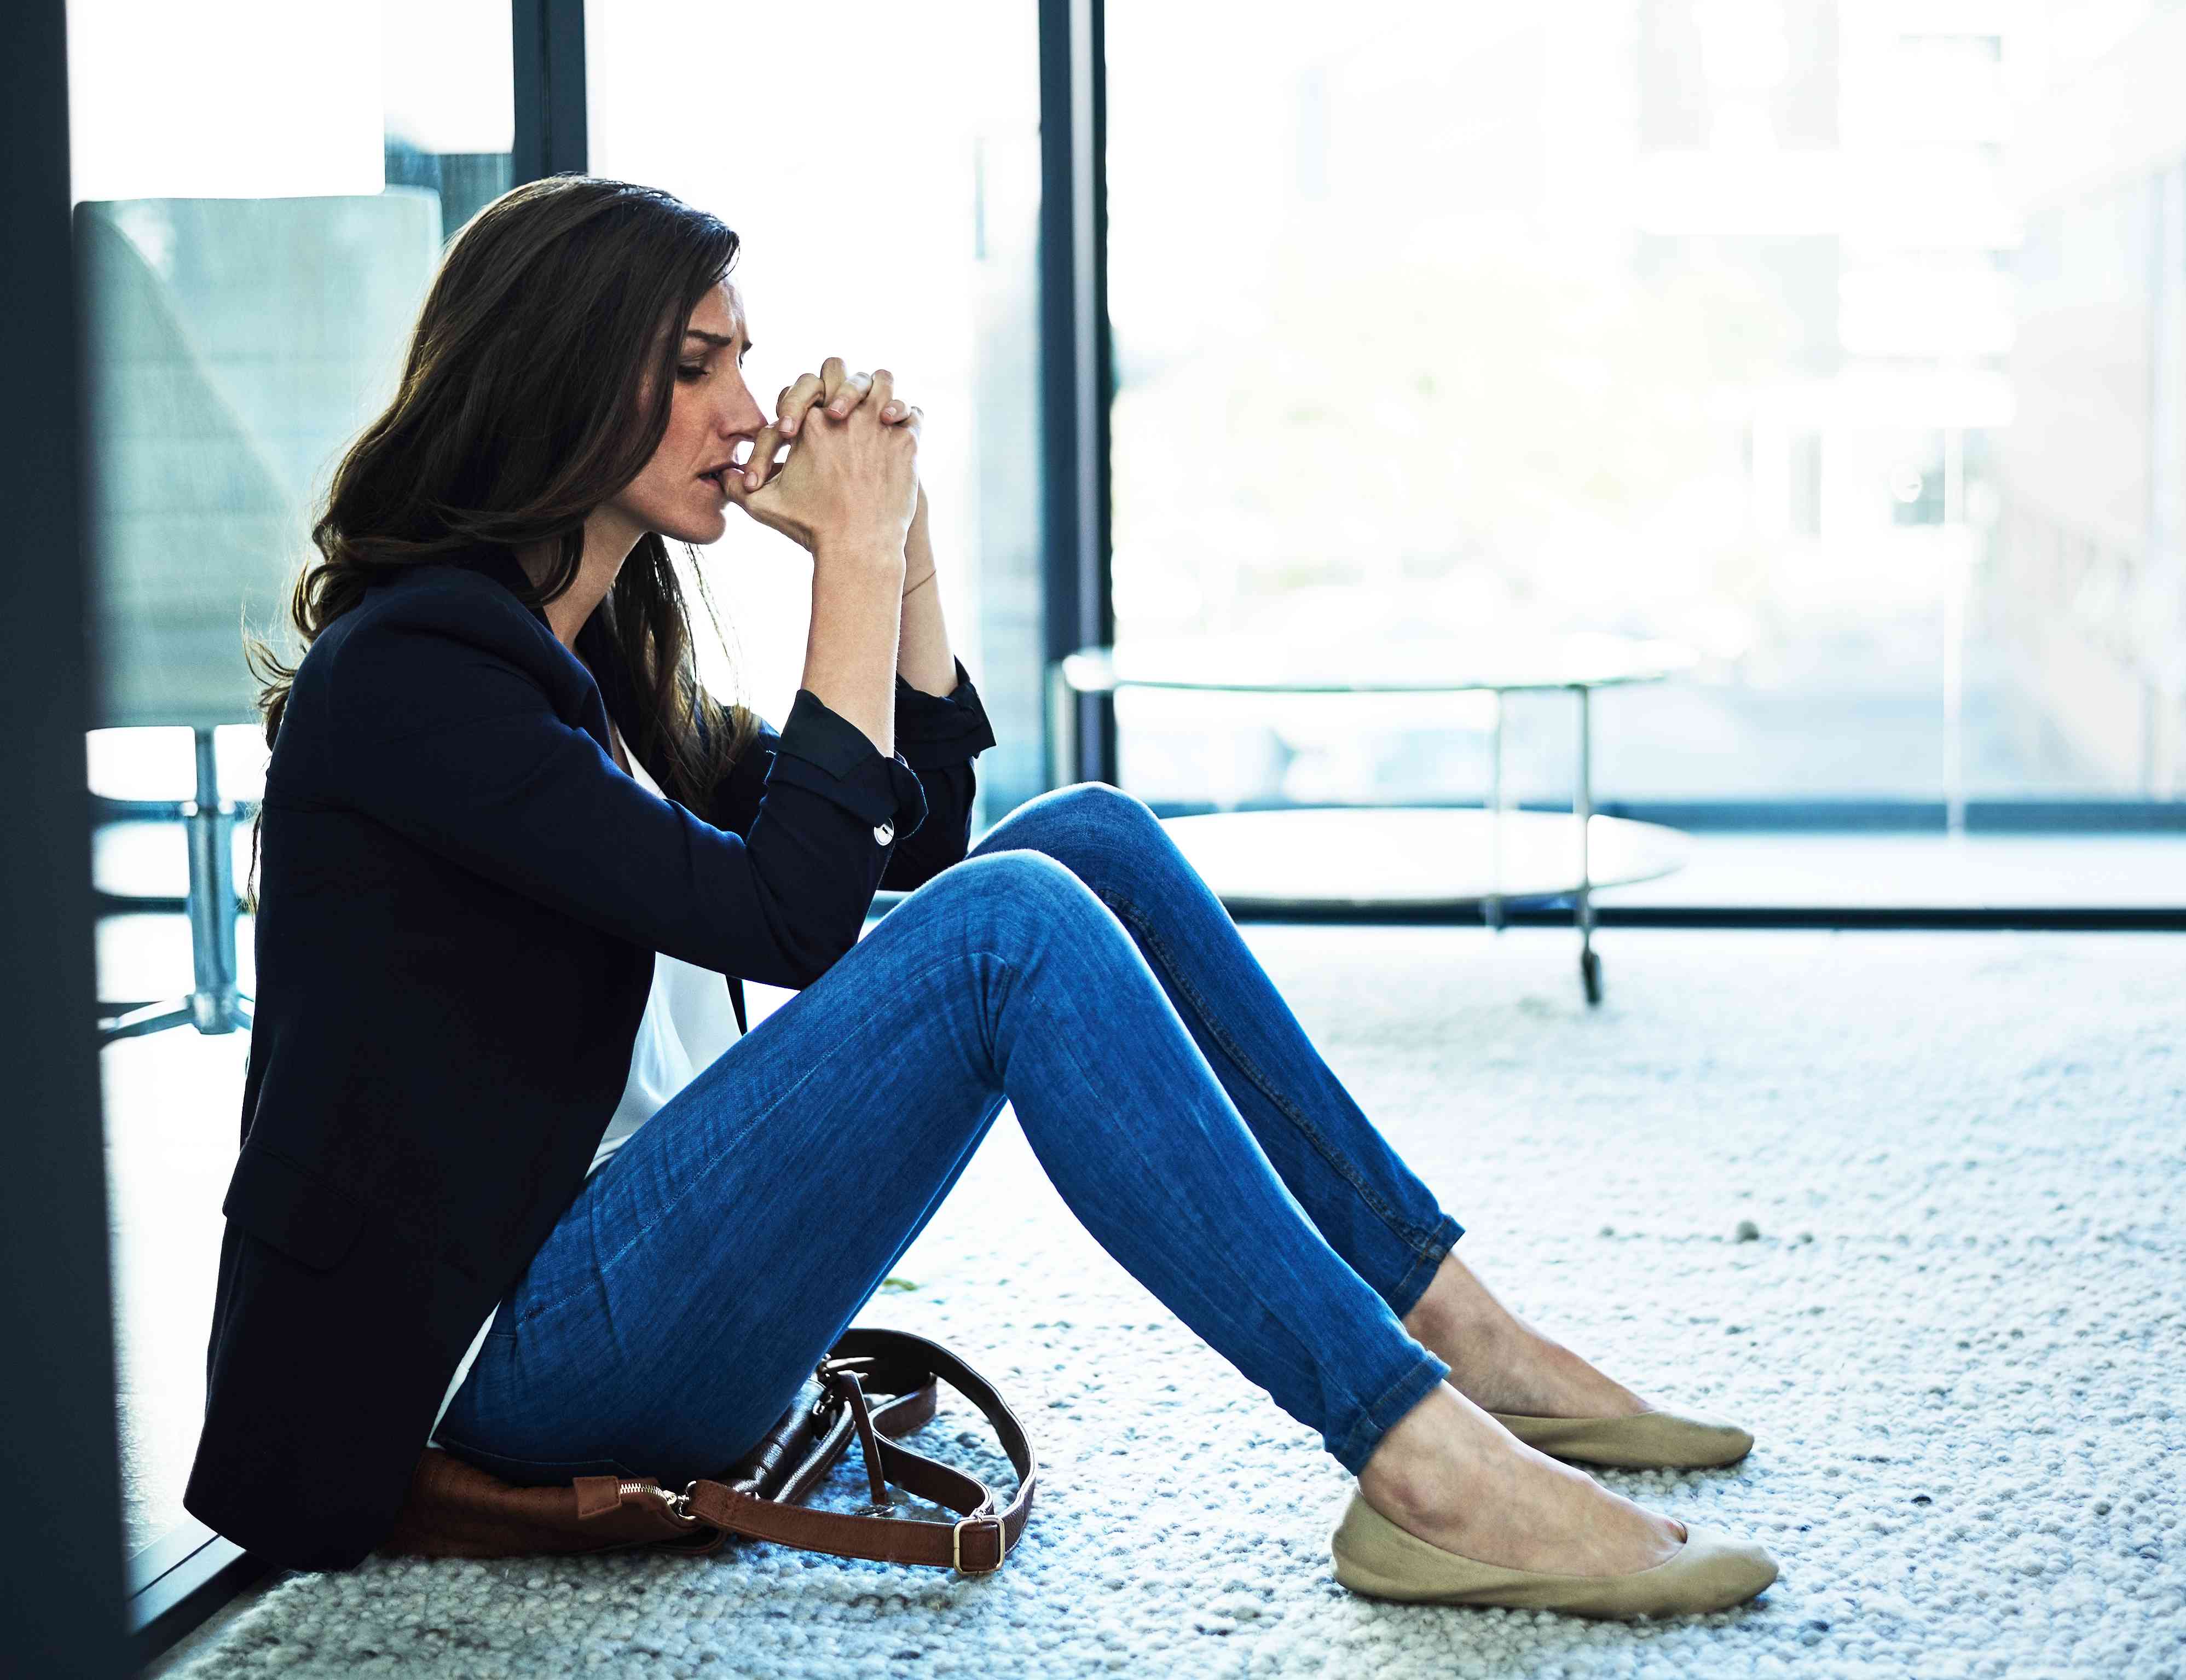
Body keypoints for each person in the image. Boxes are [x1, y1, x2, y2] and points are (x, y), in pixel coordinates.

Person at [184, 176, 1777, 1620]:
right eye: (691, 365)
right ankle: (1423, 1470)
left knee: (1078, 837)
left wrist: (907, 543)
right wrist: (846, 565)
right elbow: (804, 925)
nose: (744, 409)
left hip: (629, 1288)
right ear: (549, 377)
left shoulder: (592, 664)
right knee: (1014, 930)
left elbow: (920, 840)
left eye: (742, 356)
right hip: (502, 1368)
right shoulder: (415, 682)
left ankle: (1463, 1340)